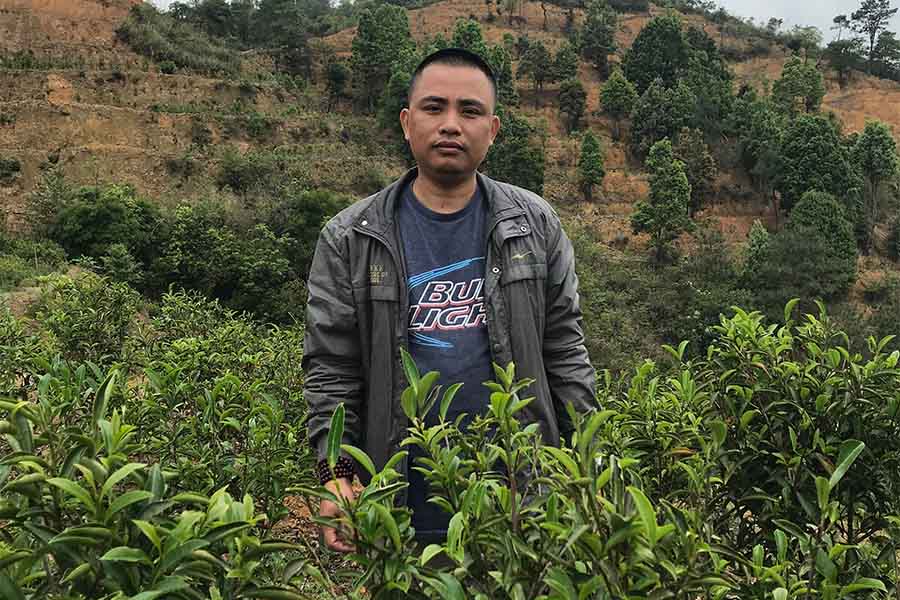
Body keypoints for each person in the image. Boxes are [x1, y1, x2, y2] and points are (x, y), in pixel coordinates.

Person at [303, 48, 595, 552]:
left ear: (494, 129)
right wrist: (339, 473)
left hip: (521, 499)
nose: (451, 124)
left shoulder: (535, 224)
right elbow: (332, 368)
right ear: (407, 121)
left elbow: (565, 352)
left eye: (470, 110)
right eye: (434, 108)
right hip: (398, 500)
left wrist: (588, 467)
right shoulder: (351, 236)